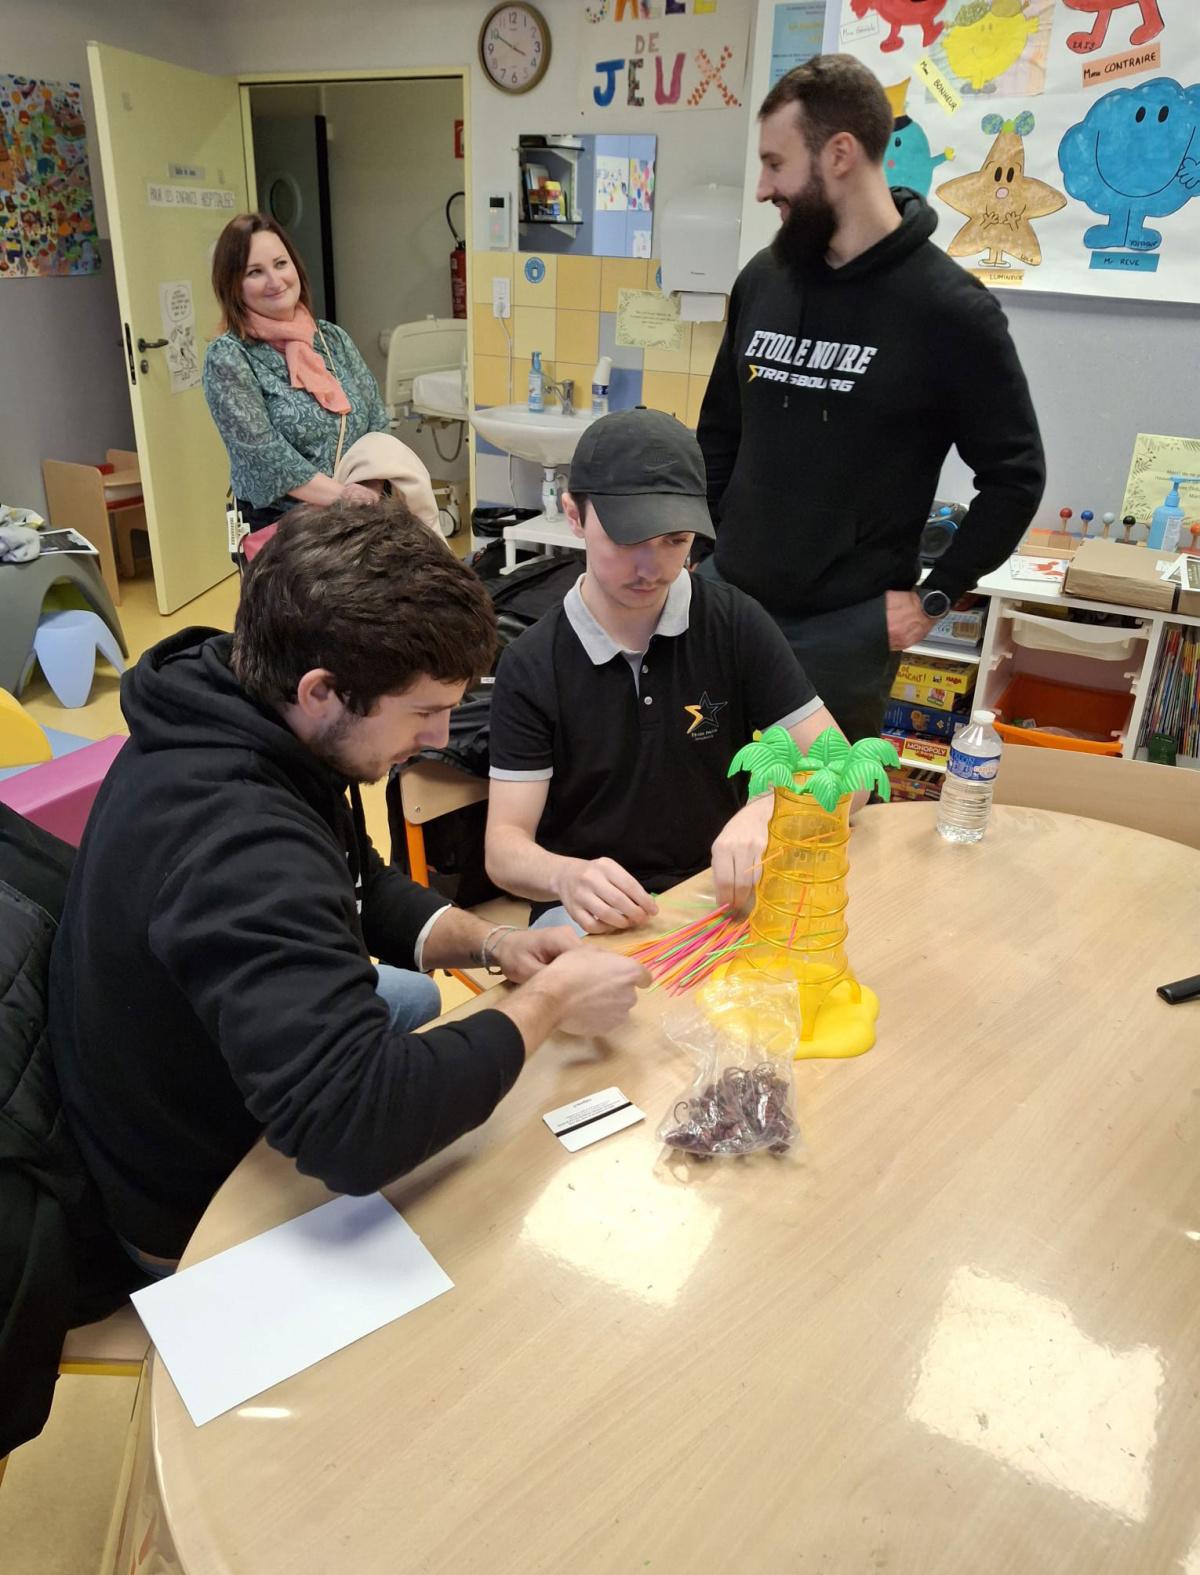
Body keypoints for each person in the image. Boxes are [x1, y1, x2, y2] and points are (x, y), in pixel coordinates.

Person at [49, 504, 647, 1272]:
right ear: (322, 690)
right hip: (185, 1206)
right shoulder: (238, 842)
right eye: (425, 712)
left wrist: (495, 943)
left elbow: (358, 879)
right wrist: (552, 1001)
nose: (439, 739)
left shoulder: (234, 699)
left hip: (183, 1072)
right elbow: (354, 1128)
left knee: (428, 1017)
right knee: (495, 1231)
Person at [697, 54, 1046, 742]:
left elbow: (1015, 478)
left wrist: (934, 596)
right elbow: (718, 433)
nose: (764, 188)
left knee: (811, 827)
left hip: (841, 633)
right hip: (724, 603)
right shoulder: (763, 280)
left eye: (775, 163)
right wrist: (705, 552)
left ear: (839, 154)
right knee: (694, 812)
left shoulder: (951, 311)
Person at [484, 409, 851, 936]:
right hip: (594, 910)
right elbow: (504, 849)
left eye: (675, 541)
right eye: (628, 540)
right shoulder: (533, 663)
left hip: (719, 891)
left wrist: (773, 807)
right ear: (573, 514)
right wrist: (566, 876)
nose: (651, 568)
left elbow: (847, 775)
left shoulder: (733, 622)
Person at [202, 211, 438, 541]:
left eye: (281, 264)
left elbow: (376, 423)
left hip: (359, 522)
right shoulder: (229, 356)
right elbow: (266, 458)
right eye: (255, 272)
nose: (275, 281)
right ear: (232, 285)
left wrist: (367, 492)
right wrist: (345, 497)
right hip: (289, 537)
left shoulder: (331, 339)